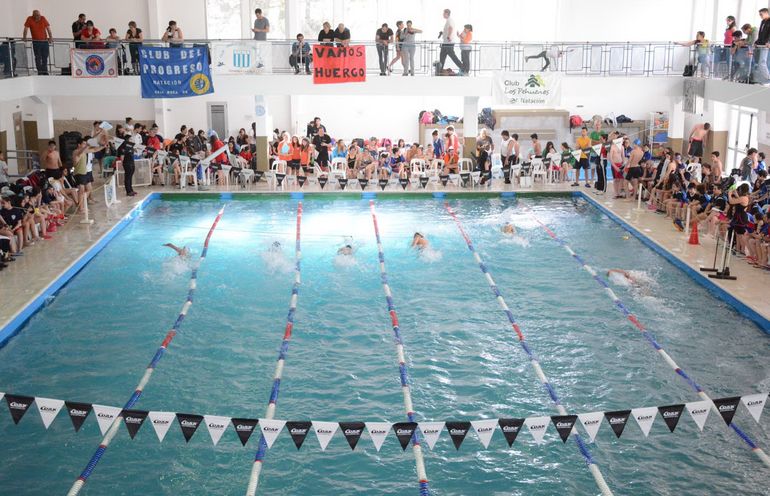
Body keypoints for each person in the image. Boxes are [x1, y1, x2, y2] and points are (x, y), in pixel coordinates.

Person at [22, 10, 52, 76]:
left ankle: (45, 71)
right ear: (33, 16)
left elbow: (48, 28)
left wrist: (50, 37)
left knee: (45, 57)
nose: (39, 17)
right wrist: (24, 37)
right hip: (36, 42)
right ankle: (40, 71)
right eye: (37, 15)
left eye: (39, 15)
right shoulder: (29, 19)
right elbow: (25, 29)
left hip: (44, 41)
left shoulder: (43, 18)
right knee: (38, 57)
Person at [438, 9, 463, 73]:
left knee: (452, 56)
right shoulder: (448, 20)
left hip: (448, 42)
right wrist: (443, 33)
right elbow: (448, 29)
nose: (443, 14)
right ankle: (440, 70)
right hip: (446, 42)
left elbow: (451, 28)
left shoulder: (450, 20)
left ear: (447, 13)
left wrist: (448, 36)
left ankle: (463, 68)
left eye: (443, 13)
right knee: (442, 56)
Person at [753, 8, 770, 85]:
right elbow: (760, 34)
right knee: (761, 63)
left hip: (766, 45)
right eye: (759, 14)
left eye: (761, 14)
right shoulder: (763, 21)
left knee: (762, 63)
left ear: (766, 13)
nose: (760, 16)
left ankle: (768, 79)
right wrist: (756, 42)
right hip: (761, 45)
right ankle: (764, 80)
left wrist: (768, 42)